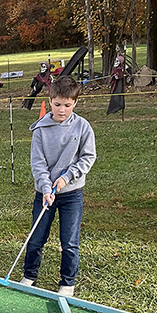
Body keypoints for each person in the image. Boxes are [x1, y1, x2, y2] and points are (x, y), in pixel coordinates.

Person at [20, 76, 96, 297]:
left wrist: (67, 178)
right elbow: (38, 162)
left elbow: (87, 158)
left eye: (67, 105)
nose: (62, 110)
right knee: (37, 237)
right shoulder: (41, 130)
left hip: (71, 194)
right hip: (44, 194)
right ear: (50, 100)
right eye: (57, 104)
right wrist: (45, 187)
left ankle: (67, 283)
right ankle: (29, 275)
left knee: (69, 241)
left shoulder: (83, 127)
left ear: (75, 103)